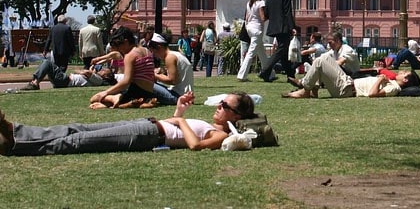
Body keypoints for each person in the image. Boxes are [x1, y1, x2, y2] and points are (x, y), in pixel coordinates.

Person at [0, 91, 255, 156]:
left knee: (78, 142)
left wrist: (180, 120)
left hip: (148, 135)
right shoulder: (214, 123)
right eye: (220, 103)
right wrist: (181, 110)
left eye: (225, 106)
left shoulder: (222, 135)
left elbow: (195, 146)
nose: (219, 107)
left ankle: (15, 144)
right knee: (77, 128)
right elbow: (180, 125)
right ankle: (16, 132)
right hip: (147, 123)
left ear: (236, 117)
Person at [282, 54, 420, 99]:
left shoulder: (394, 88)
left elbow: (372, 94)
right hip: (348, 82)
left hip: (346, 89)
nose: (400, 72)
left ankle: (304, 86)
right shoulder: (392, 82)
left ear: (406, 80)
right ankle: (311, 88)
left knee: (319, 62)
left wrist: (379, 80)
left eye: (403, 73)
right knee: (325, 57)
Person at [88, 27, 156, 109]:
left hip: (135, 91)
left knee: (94, 99)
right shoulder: (146, 51)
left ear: (126, 42)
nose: (119, 50)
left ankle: (115, 99)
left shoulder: (130, 55)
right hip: (149, 92)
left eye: (119, 46)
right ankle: (136, 102)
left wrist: (105, 92)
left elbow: (126, 81)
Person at [259, 0, 297, 83]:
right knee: (281, 49)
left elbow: (267, 13)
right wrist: (292, 27)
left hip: (274, 26)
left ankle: (290, 75)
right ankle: (265, 70)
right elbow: (287, 12)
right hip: (283, 26)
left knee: (284, 52)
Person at [150, 33, 194, 105]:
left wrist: (153, 75)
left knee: (148, 84)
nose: (155, 56)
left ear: (159, 47)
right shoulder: (176, 54)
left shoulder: (169, 57)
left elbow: (172, 80)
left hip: (178, 96)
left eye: (154, 53)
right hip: (185, 95)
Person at [237, 0, 269, 82]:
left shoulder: (250, 3)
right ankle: (242, 75)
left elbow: (246, 18)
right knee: (251, 53)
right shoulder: (261, 3)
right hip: (257, 29)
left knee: (262, 53)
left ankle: (269, 74)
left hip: (250, 28)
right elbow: (263, 18)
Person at [21, 58, 116, 90]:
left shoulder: (99, 80)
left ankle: (35, 83)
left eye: (104, 70)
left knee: (47, 63)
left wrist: (78, 71)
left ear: (106, 76)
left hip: (66, 80)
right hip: (65, 80)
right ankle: (35, 82)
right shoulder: (97, 79)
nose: (102, 69)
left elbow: (87, 72)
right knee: (48, 65)